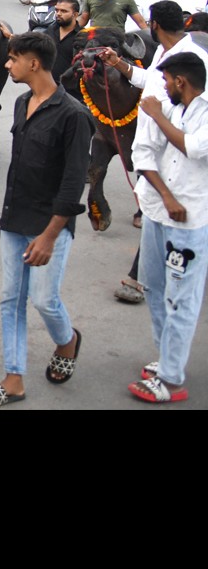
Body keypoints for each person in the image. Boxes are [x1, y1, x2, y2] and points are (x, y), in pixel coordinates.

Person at [0, 32, 93, 407]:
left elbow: (74, 182)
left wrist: (49, 235)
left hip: (49, 226)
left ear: (34, 62)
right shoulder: (22, 102)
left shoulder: (74, 115)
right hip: (14, 219)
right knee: (12, 300)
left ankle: (67, 340)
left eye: (13, 59)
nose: (7, 65)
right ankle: (13, 380)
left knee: (44, 299)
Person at [98, 0, 208, 303]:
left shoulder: (195, 59)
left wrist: (162, 120)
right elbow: (152, 80)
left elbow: (197, 106)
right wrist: (119, 65)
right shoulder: (164, 51)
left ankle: (144, 280)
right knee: (154, 214)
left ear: (154, 24)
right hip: (151, 148)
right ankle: (146, 277)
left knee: (166, 219)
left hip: (177, 153)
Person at [127, 52, 208, 402]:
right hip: (160, 212)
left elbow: (192, 147)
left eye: (166, 81)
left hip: (190, 223)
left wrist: (157, 116)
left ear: (181, 82)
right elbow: (143, 153)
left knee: (181, 299)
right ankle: (166, 359)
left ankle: (172, 379)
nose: (162, 87)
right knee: (155, 289)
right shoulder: (169, 110)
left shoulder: (192, 113)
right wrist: (165, 196)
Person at [42, 0, 82, 84]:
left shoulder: (82, 37)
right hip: (47, 86)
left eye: (63, 11)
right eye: (57, 10)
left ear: (75, 14)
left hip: (71, 90)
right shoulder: (50, 31)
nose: (58, 13)